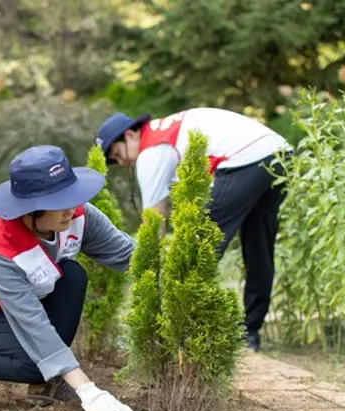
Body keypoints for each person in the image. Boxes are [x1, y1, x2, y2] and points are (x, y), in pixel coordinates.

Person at [0, 145, 138, 411]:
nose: (71, 208)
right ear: (32, 209)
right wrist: (88, 391)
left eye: (71, 196)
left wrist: (178, 268)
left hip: (34, 297)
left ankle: (46, 382)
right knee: (37, 363)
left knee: (73, 275)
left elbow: (127, 254)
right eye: (60, 201)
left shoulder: (78, 216)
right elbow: (33, 325)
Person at [95, 108, 293, 352]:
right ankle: (249, 334)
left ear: (130, 135)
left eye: (117, 154)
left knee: (197, 250)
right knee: (258, 246)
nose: (121, 162)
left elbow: (154, 223)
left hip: (246, 160)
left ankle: (184, 334)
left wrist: (146, 271)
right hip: (279, 154)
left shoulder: (151, 150)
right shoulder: (165, 130)